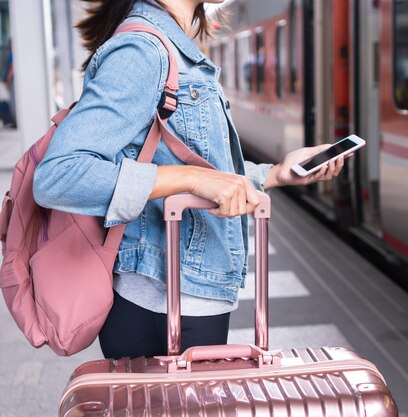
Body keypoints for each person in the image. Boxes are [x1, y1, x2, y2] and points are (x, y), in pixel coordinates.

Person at [33, 0, 345, 359]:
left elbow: (190, 163)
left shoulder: (171, 48)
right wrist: (189, 179)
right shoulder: (142, 51)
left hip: (183, 297)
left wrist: (275, 174)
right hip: (166, 302)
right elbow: (59, 175)